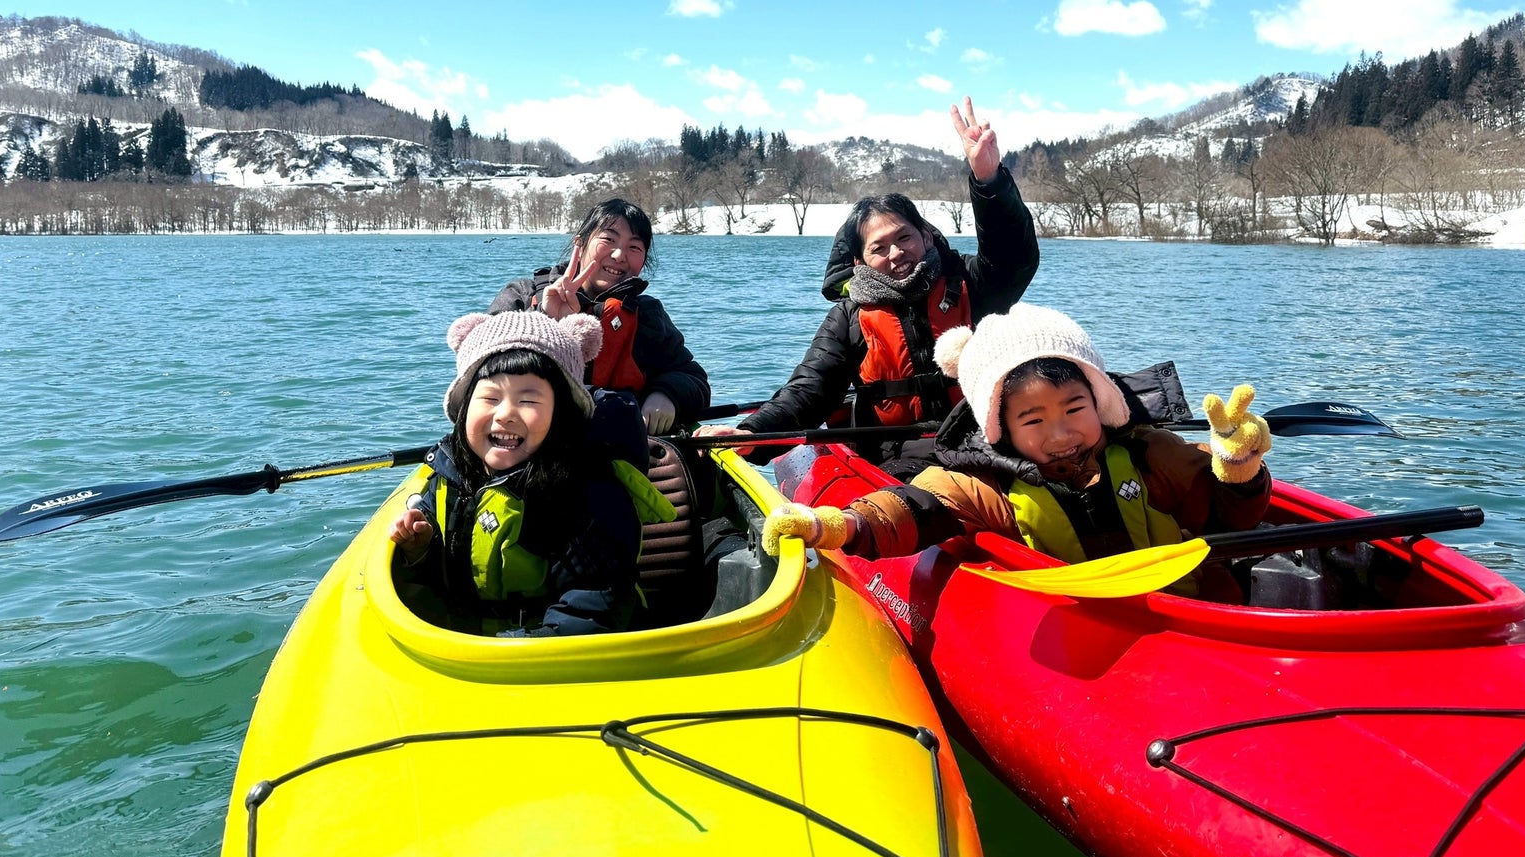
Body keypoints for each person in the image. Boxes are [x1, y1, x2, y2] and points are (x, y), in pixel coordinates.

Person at [763, 305, 1273, 599]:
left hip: (1189, 611)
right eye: (1033, 420)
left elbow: (1228, 516)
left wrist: (1238, 467)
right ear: (999, 427)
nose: (1060, 434)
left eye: (1075, 408)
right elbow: (915, 510)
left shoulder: (1151, 453)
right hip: (1086, 623)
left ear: (1101, 400)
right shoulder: (986, 482)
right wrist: (837, 526)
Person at [702, 99, 1037, 460]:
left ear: (926, 236)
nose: (896, 254)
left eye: (904, 238)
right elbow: (809, 390)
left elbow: (1013, 256)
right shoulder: (848, 319)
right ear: (859, 261)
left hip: (982, 442)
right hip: (898, 457)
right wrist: (752, 432)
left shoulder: (973, 283)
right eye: (879, 248)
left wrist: (989, 180)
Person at [390, 308, 676, 636]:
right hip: (462, 649)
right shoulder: (447, 475)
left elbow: (596, 603)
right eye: (490, 398)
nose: (505, 415)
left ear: (562, 414)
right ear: (464, 407)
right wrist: (421, 549)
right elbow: (441, 578)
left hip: (553, 660)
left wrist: (507, 650)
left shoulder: (591, 495)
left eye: (528, 400)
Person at [490, 198, 710, 434]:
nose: (618, 255)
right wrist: (544, 319)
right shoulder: (523, 295)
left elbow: (694, 379)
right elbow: (483, 368)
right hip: (530, 440)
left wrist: (666, 394)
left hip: (618, 445)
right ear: (580, 244)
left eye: (634, 247)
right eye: (608, 239)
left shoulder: (647, 315)